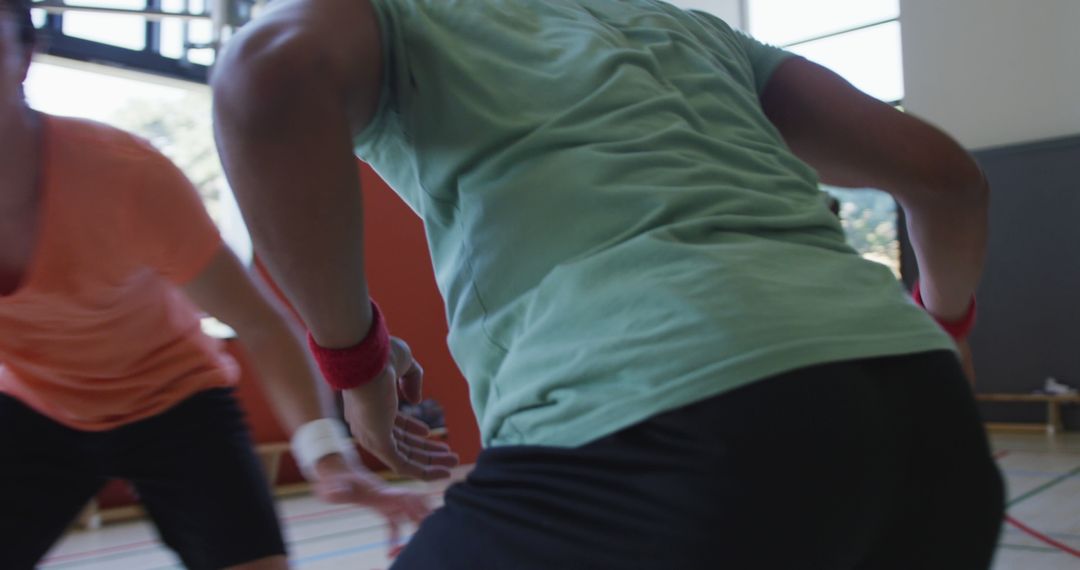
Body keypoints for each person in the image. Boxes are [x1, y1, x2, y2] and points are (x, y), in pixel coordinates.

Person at [211, 0, 1004, 567]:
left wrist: (357, 364)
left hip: (672, 425)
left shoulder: (398, 16)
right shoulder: (689, 29)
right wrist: (947, 327)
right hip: (926, 425)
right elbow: (948, 181)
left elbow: (266, 78)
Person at [0, 2, 448, 568]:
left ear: (25, 56)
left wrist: (327, 456)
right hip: (34, 407)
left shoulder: (124, 178)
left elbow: (260, 325)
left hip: (177, 402)